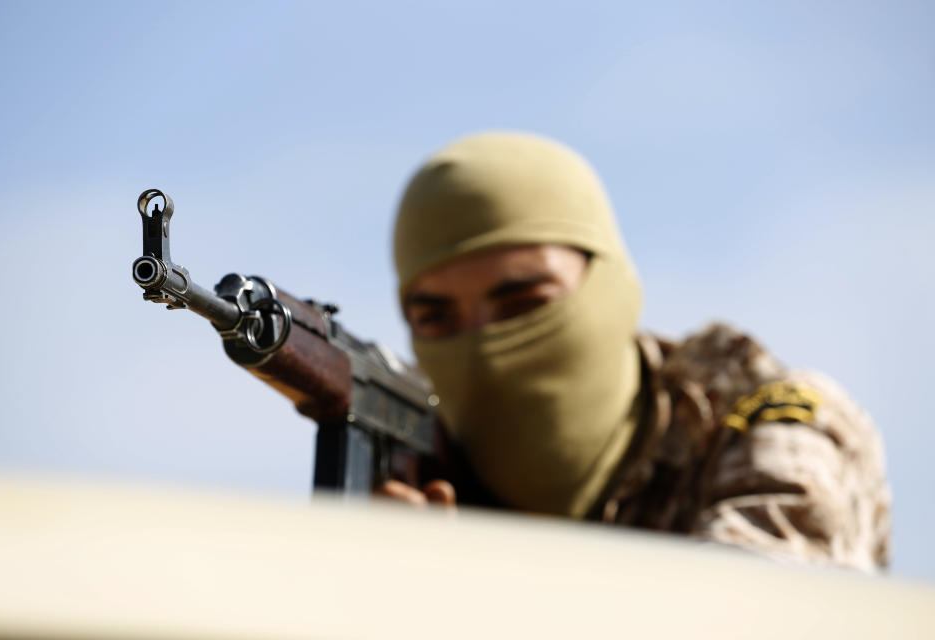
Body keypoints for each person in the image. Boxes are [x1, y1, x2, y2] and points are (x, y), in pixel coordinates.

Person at [379, 131, 890, 572]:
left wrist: (459, 597)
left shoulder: (768, 428)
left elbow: (749, 615)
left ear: (607, 286)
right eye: (436, 318)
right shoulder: (428, 460)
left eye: (525, 304)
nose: (483, 346)